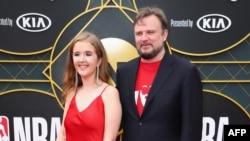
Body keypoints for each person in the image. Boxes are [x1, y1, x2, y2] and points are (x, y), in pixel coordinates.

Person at [116, 6, 203, 141]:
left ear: (164, 35)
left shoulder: (185, 72)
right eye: (139, 33)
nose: (144, 38)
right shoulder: (124, 72)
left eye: (150, 32)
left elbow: (191, 130)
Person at [56, 31, 122, 141]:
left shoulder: (109, 93)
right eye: (77, 54)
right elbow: (62, 135)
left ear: (99, 61)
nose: (82, 59)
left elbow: (109, 139)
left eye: (88, 54)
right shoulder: (71, 93)